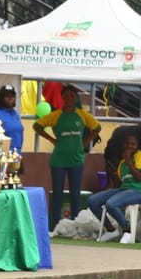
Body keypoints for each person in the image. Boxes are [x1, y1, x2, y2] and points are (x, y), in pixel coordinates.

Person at [38, 86, 98, 223]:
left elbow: (97, 127)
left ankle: (75, 222)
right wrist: (51, 139)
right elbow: (37, 126)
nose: (69, 98)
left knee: (75, 193)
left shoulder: (82, 115)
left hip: (76, 159)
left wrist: (86, 142)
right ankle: (55, 223)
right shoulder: (56, 115)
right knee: (57, 193)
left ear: (75, 98)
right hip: (58, 160)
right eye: (66, 96)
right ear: (62, 98)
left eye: (72, 96)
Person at [89, 130, 141, 240]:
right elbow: (119, 184)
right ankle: (111, 229)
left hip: (140, 191)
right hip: (124, 190)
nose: (129, 146)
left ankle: (127, 230)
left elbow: (139, 177)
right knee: (93, 201)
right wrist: (112, 174)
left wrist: (128, 160)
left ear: (138, 145)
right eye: (127, 143)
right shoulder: (122, 163)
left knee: (111, 204)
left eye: (133, 144)